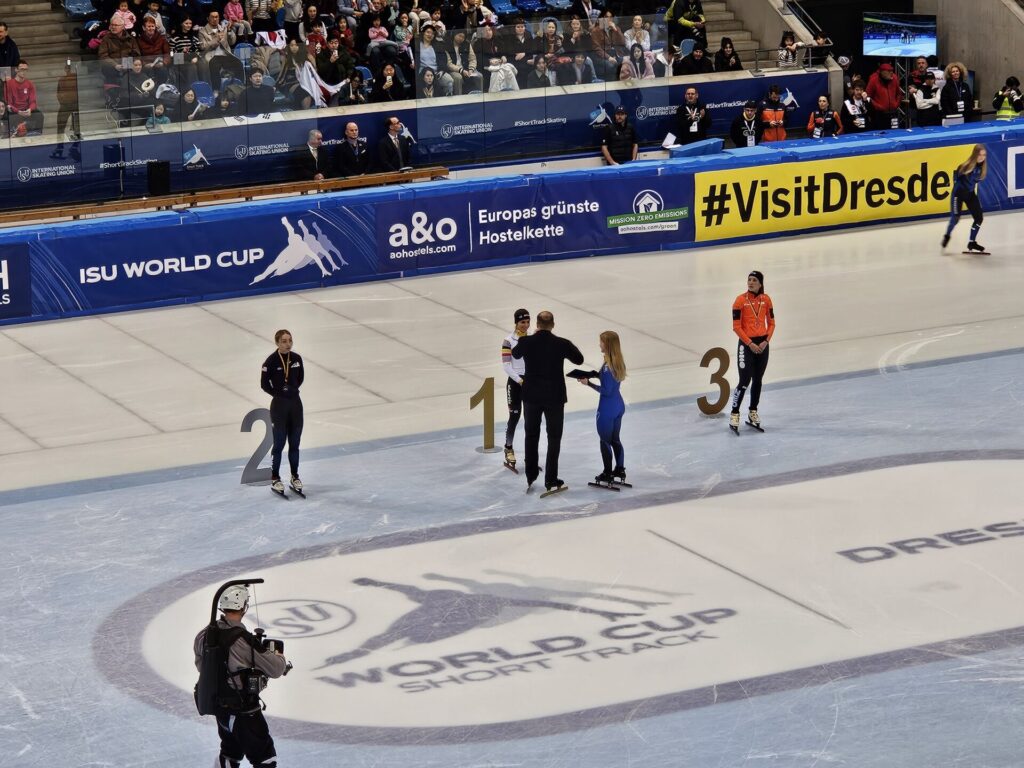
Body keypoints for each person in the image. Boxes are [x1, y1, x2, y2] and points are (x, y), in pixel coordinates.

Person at [194, 584, 289, 768]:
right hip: (244, 711)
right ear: (243, 607)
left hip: (220, 710)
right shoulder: (242, 640)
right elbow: (276, 669)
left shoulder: (203, 636)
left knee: (230, 754)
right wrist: (279, 657)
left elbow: (201, 665)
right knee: (265, 759)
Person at [511, 311, 583, 494]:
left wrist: (529, 338)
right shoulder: (561, 343)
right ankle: (551, 479)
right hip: (554, 397)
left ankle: (530, 474)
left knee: (531, 435)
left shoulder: (526, 342)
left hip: (531, 396)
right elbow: (579, 359)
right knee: (554, 438)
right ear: (553, 324)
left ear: (537, 324)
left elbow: (516, 354)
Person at [729, 270, 774, 433]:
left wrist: (765, 341)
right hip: (746, 345)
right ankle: (734, 414)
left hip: (762, 344)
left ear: (760, 283)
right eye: (749, 280)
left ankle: (753, 412)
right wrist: (749, 343)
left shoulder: (766, 299)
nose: (750, 282)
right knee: (744, 381)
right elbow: (736, 327)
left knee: (758, 380)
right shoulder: (740, 301)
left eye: (754, 280)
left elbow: (772, 323)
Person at [579, 330, 627, 486]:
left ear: (606, 344)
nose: (599, 344)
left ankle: (607, 473)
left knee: (605, 441)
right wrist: (594, 374)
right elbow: (612, 382)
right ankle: (619, 469)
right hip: (618, 406)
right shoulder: (617, 361)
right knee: (615, 440)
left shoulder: (607, 366)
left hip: (606, 409)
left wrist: (589, 384)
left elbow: (606, 390)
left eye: (601, 342)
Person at [261, 329, 305, 495]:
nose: (288, 344)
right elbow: (264, 385)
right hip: (279, 407)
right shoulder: (270, 362)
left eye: (290, 340)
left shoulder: (297, 359)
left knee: (295, 443)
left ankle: (295, 476)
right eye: (285, 341)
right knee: (279, 444)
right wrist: (279, 394)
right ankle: (275, 478)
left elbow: (300, 378)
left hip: (295, 405)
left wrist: (291, 391)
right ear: (278, 343)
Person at [941, 144, 987, 254]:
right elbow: (955, 175)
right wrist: (957, 187)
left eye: (984, 155)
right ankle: (947, 236)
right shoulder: (966, 166)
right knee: (955, 219)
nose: (982, 157)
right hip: (958, 194)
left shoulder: (982, 168)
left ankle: (972, 242)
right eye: (979, 155)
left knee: (979, 218)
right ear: (975, 155)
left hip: (970, 194)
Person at [501, 308, 530, 470]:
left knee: (531, 418)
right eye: (522, 322)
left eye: (527, 322)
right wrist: (520, 381)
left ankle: (529, 453)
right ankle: (508, 448)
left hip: (529, 382)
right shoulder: (508, 341)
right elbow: (506, 366)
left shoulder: (532, 338)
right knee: (515, 416)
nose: (525, 325)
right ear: (516, 323)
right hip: (515, 382)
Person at [5, 60, 43, 135]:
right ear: (16, 70)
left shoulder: (30, 84)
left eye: (26, 70)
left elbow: (33, 102)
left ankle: (36, 135)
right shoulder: (9, 84)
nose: (24, 72)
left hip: (26, 111)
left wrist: (30, 109)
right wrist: (18, 111)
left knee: (40, 115)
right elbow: (8, 102)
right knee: (7, 114)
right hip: (14, 111)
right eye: (22, 69)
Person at [865, 61, 902, 129]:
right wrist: (878, 106)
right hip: (879, 114)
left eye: (892, 71)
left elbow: (899, 94)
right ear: (882, 72)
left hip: (893, 113)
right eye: (889, 71)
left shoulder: (895, 78)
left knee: (895, 132)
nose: (891, 73)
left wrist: (896, 105)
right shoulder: (873, 80)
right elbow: (867, 97)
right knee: (881, 134)